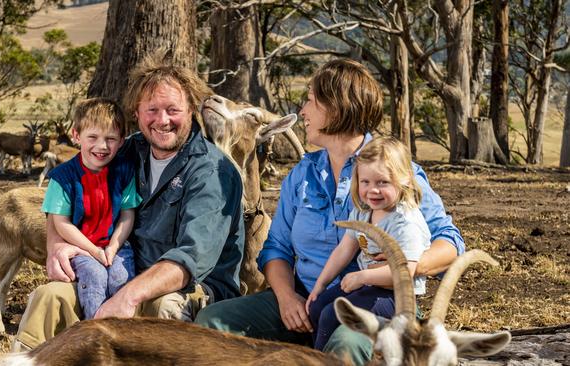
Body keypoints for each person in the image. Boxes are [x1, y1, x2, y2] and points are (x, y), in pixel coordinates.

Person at [195, 59, 465, 364]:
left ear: (335, 108)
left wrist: (404, 266)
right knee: (211, 322)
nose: (303, 112)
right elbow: (276, 249)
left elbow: (449, 242)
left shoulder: (395, 170)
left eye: (310, 101)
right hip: (308, 299)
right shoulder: (302, 175)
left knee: (344, 346)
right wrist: (286, 298)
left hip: (373, 304)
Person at [11, 54, 245, 351]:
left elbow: (190, 259)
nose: (162, 120)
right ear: (137, 111)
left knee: (163, 307)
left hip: (191, 287)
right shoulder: (128, 150)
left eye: (173, 110)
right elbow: (70, 182)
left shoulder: (212, 172)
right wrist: (56, 245)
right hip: (120, 272)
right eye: (152, 110)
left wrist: (127, 296)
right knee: (49, 297)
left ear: (191, 110)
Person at [305, 136, 431, 351]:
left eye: (382, 182)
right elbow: (345, 248)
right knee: (317, 307)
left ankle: (319, 359)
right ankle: (316, 350)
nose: (373, 190)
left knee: (330, 314)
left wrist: (362, 276)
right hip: (369, 287)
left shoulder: (405, 221)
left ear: (405, 180)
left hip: (396, 298)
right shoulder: (364, 212)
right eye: (366, 182)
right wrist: (321, 284)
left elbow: (404, 273)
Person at [42, 98, 141, 320]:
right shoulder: (63, 177)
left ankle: (123, 332)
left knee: (120, 276)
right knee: (95, 275)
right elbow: (61, 223)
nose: (102, 146)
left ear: (122, 141)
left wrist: (114, 246)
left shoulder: (124, 171)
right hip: (80, 245)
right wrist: (92, 251)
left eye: (111, 139)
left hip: (114, 244)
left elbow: (127, 215)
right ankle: (95, 330)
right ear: (76, 136)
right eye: (93, 137)